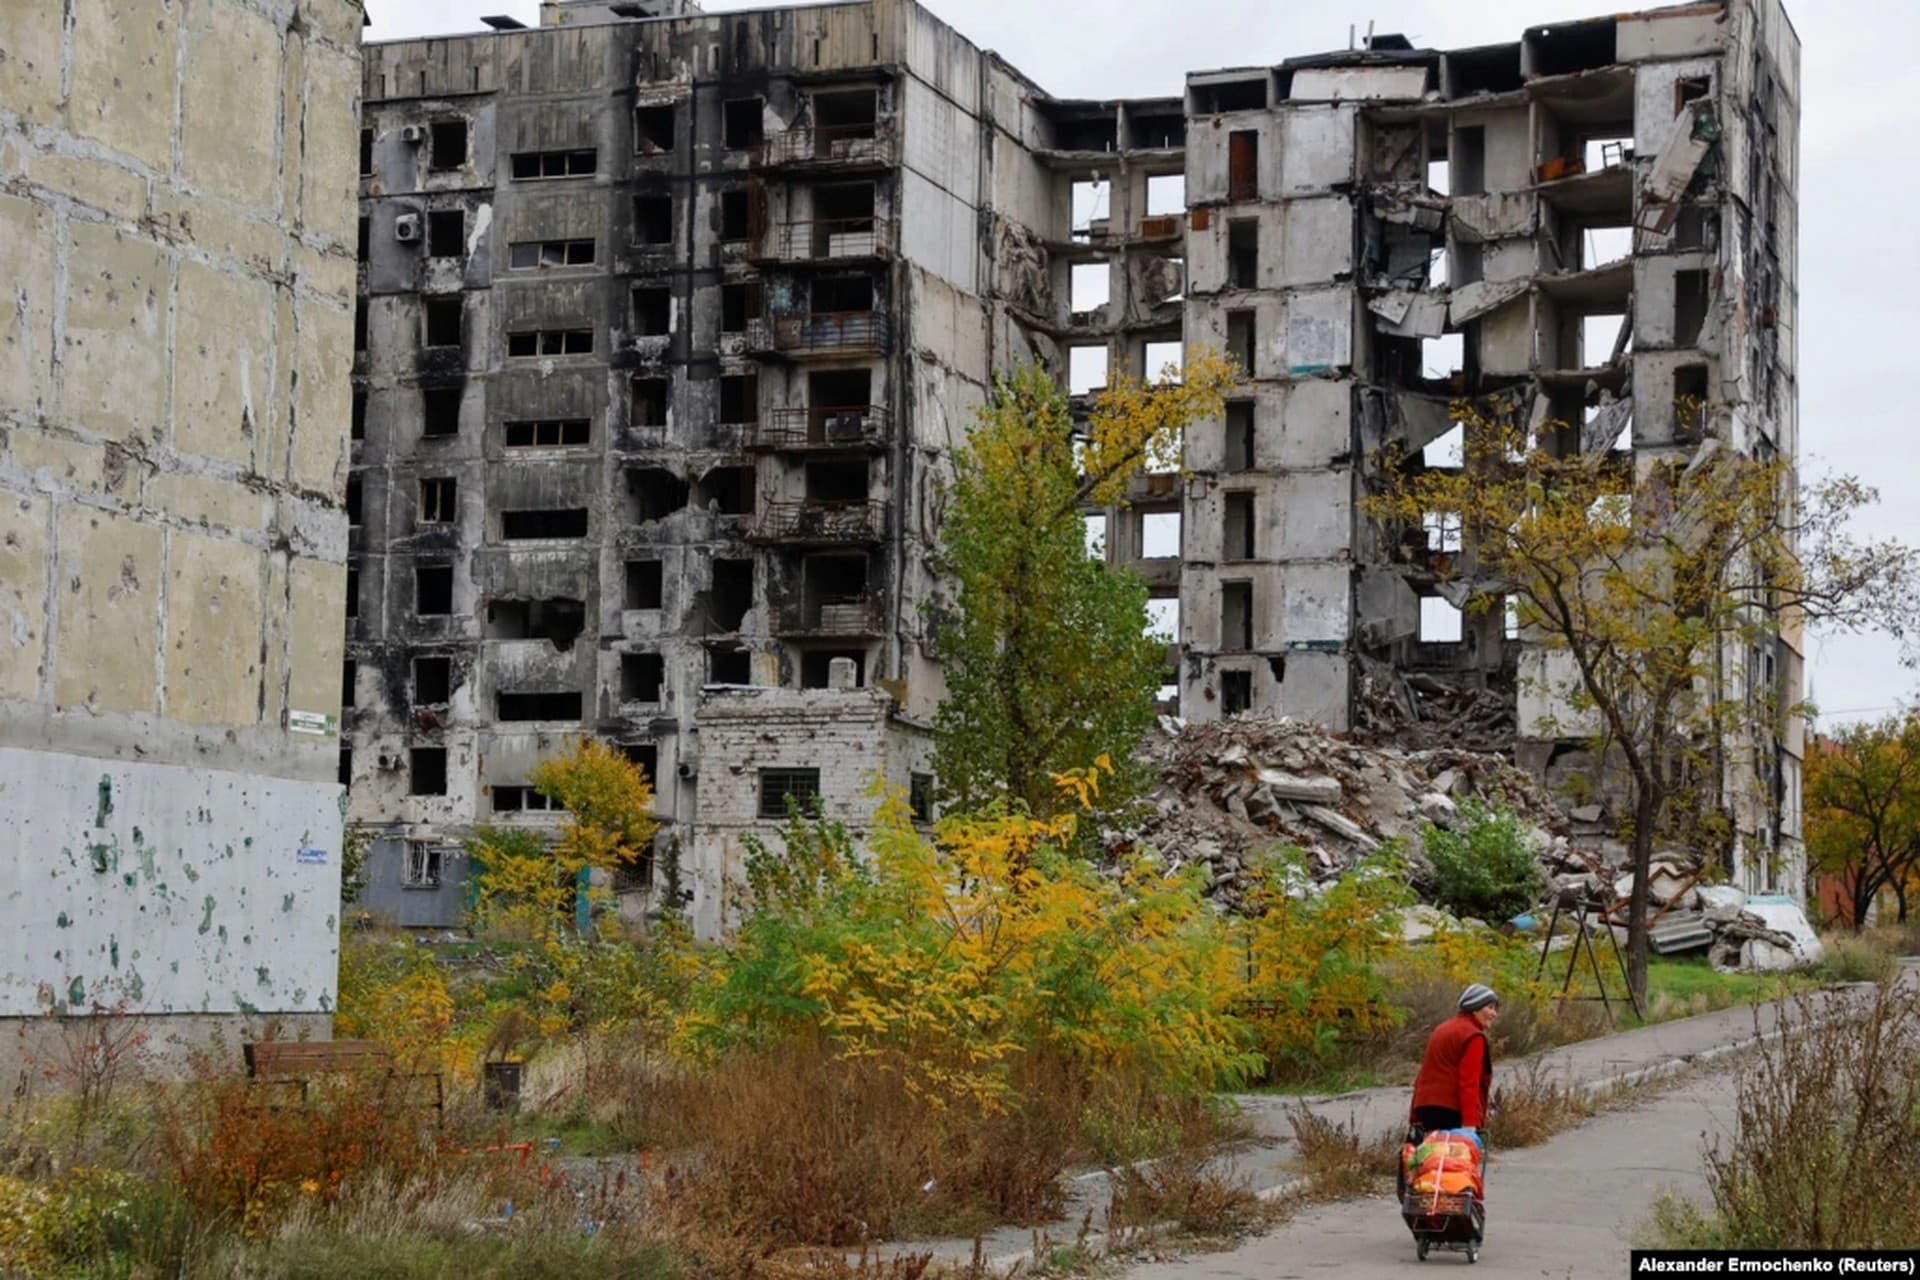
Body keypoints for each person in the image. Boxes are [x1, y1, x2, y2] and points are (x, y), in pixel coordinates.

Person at [1409, 983, 1499, 1141]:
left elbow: (1424, 1075)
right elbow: (1469, 1082)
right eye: (1490, 1007)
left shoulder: (1442, 1029)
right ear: (1475, 1007)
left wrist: (1414, 1116)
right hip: (1451, 1111)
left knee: (1427, 1161)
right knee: (1452, 1163)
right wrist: (1469, 1125)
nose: (1494, 1014)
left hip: (1425, 1108)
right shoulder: (1473, 1036)